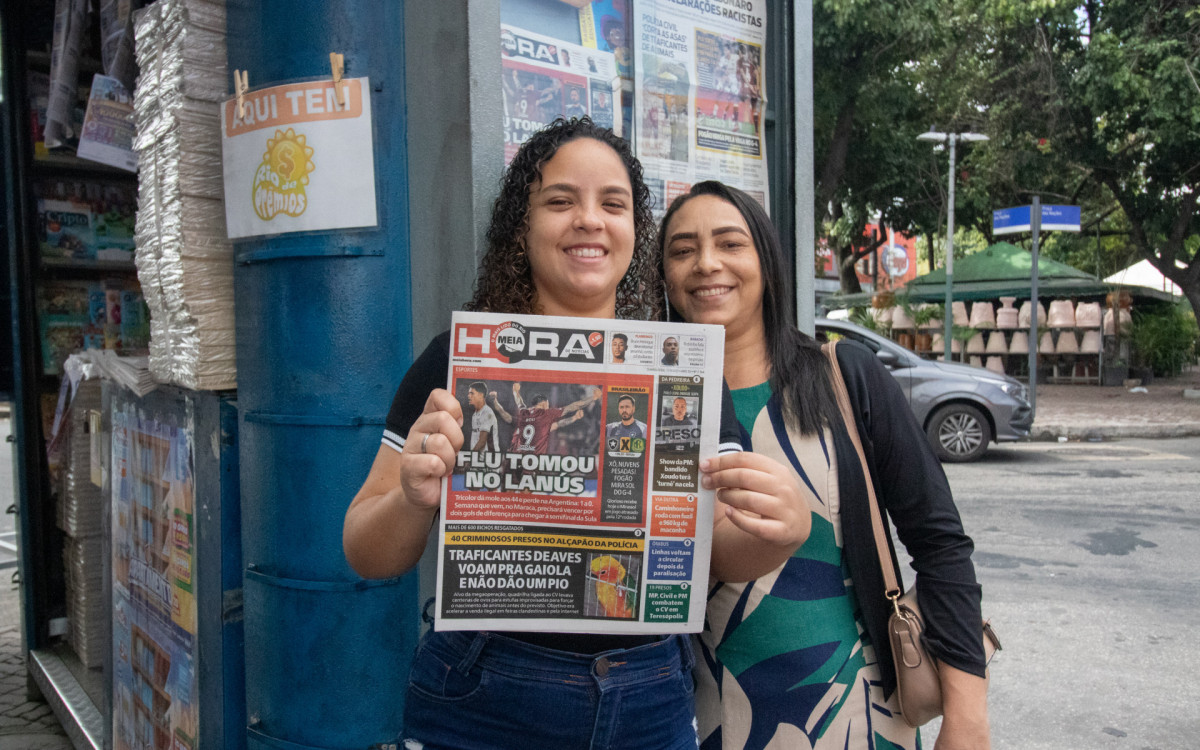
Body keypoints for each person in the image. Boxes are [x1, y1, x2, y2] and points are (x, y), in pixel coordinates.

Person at [342, 119, 811, 750]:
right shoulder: (456, 361)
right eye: (560, 200)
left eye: (612, 203)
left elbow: (717, 551)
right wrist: (411, 496)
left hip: (649, 695)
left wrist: (779, 534)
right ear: (523, 226)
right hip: (483, 689)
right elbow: (367, 553)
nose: (589, 219)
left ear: (634, 232)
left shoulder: (682, 367)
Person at [659, 181, 991, 750]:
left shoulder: (845, 377)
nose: (706, 264)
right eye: (683, 250)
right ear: (663, 274)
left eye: (729, 244)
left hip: (854, 712)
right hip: (697, 714)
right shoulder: (651, 399)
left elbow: (939, 544)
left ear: (766, 260)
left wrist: (967, 719)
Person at [491, 382, 598, 454]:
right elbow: (571, 408)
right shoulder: (546, 417)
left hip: (517, 455)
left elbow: (508, 412)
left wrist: (497, 400)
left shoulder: (525, 413)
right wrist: (591, 399)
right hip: (531, 457)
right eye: (546, 404)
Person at [466, 381, 499, 452]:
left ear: (481, 395)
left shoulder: (487, 413)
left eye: (472, 393)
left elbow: (482, 442)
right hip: (478, 459)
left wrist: (471, 458)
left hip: (489, 459)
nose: (468, 396)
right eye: (469, 393)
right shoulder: (475, 414)